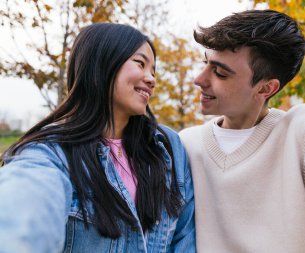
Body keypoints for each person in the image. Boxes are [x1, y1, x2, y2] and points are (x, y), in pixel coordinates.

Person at [179, 9, 305, 253]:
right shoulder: (186, 145)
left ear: (266, 89)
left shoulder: (301, 132)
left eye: (220, 72)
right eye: (205, 63)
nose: (199, 79)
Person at [0, 23, 195, 253]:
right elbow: (25, 213)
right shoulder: (52, 152)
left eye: (153, 70)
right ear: (102, 63)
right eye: (141, 64)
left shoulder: (168, 146)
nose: (151, 79)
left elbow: (184, 238)